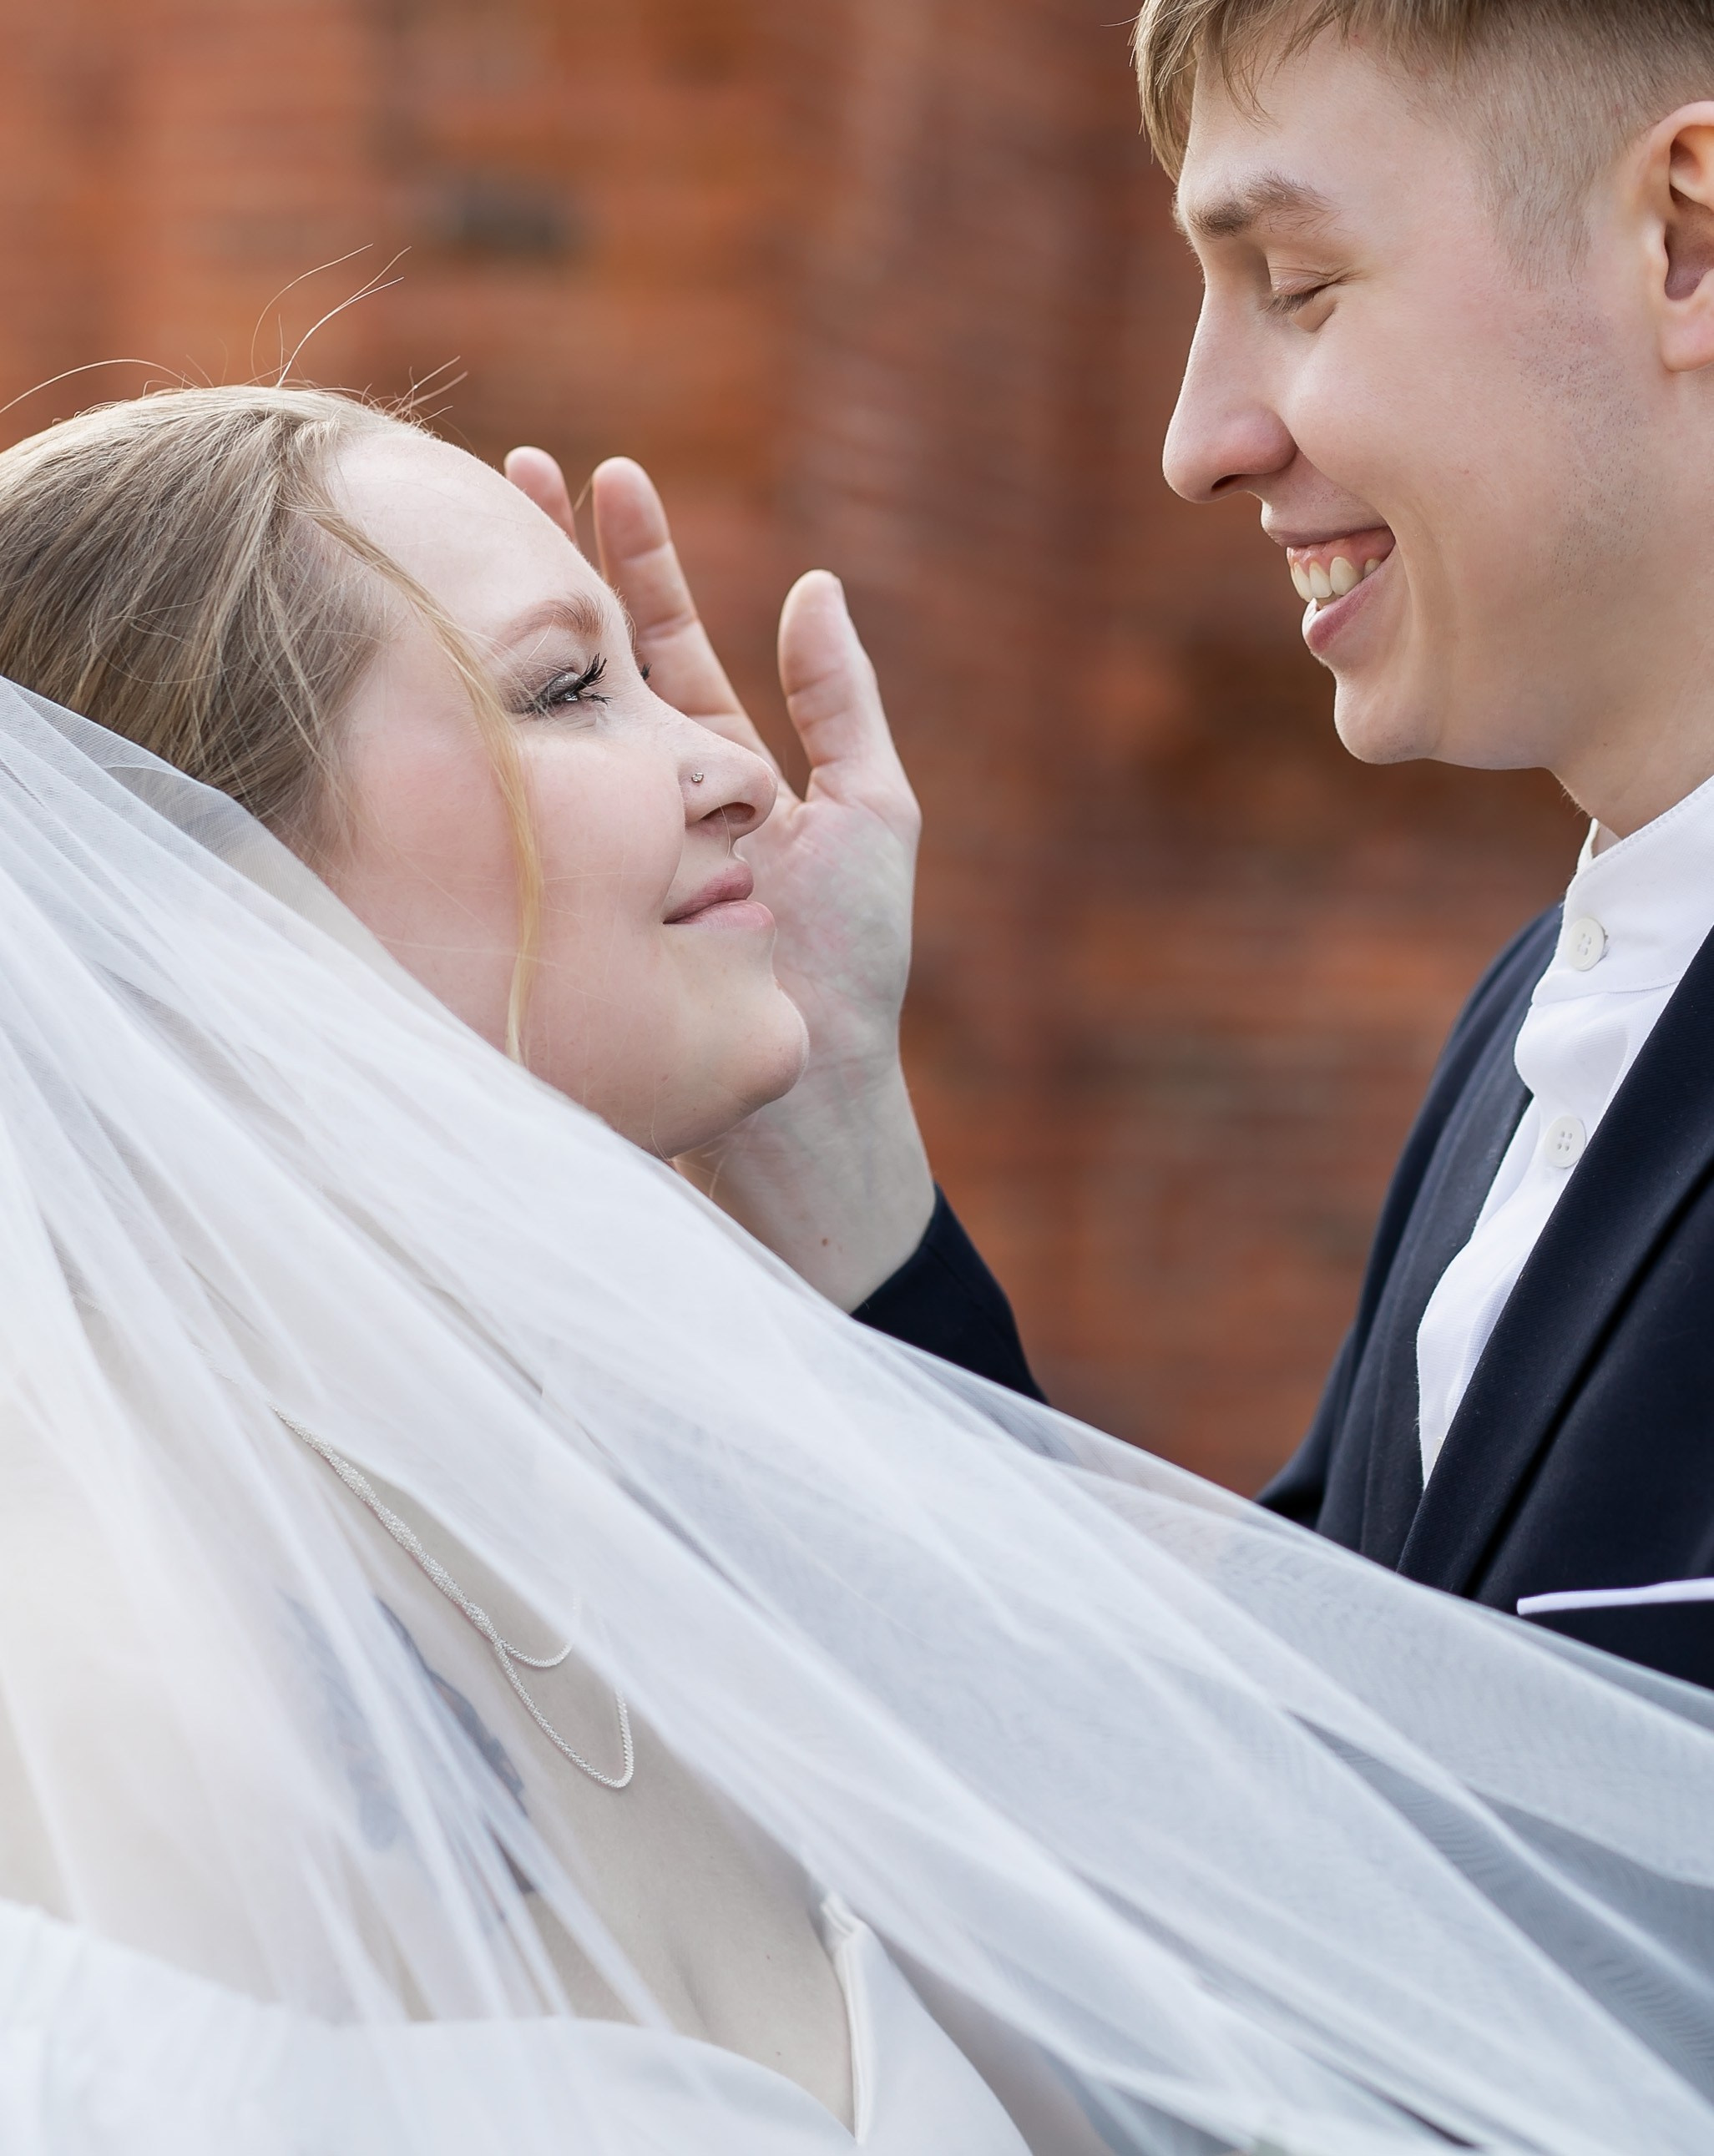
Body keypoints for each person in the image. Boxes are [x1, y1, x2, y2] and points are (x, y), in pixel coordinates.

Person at [2, 381, 1713, 2149]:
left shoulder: (711, 1582)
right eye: (568, 688)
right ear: (200, 898)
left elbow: (1306, 1959)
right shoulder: (93, 1679)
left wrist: (821, 1116)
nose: (738, 766)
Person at [693, 0, 1714, 1699]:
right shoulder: (1546, 1010)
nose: (1194, 442)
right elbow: (1282, 1795)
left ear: (1684, 239)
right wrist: (835, 1140)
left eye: (1298, 281)